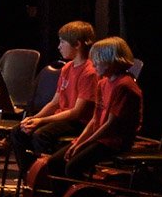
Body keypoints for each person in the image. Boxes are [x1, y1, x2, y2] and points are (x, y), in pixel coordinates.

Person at [30, 37, 143, 197]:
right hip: (99, 137)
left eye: (98, 61)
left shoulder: (125, 86)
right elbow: (94, 120)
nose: (95, 65)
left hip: (114, 141)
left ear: (112, 60)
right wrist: (78, 142)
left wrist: (84, 144)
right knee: (56, 162)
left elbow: (110, 125)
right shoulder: (103, 83)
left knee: (73, 167)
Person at [12, 20, 98, 171]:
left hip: (78, 122)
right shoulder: (67, 68)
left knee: (41, 135)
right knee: (18, 131)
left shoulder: (89, 72)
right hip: (62, 118)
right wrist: (34, 118)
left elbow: (77, 112)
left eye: (62, 42)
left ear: (77, 45)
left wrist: (41, 121)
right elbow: (54, 103)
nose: (59, 46)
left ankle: (46, 178)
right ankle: (30, 177)